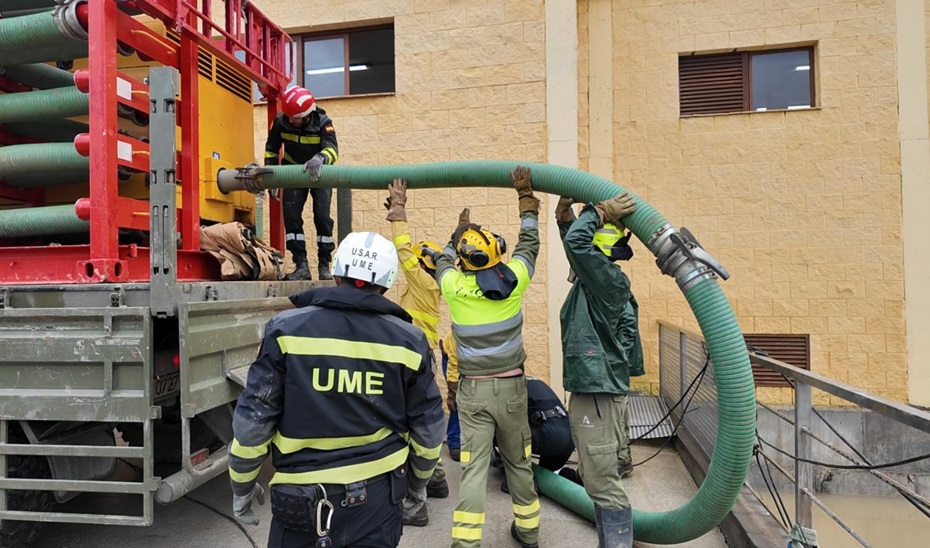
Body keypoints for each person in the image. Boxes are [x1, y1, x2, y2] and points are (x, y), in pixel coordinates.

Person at [228, 231, 444, 548]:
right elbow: (428, 431)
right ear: (386, 283)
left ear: (338, 272)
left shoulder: (285, 330)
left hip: (302, 502)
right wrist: (417, 485)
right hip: (380, 499)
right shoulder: (410, 341)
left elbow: (253, 425)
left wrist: (242, 485)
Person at [420, 166, 541, 548]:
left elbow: (440, 261)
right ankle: (528, 532)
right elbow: (529, 244)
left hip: (473, 394)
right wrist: (526, 200)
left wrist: (455, 238)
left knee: (473, 469)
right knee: (519, 463)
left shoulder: (454, 287)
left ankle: (466, 543)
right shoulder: (516, 280)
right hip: (512, 391)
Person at [555, 193, 639, 547]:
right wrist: (564, 215)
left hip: (599, 391)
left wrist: (600, 211)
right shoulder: (595, 281)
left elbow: (578, 243)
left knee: (603, 482)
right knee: (593, 474)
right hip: (593, 388)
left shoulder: (607, 281)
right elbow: (575, 243)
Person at [382, 178, 450, 527]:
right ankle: (436, 478)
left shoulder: (421, 281)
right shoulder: (436, 281)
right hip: (425, 354)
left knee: (410, 422)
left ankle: (415, 504)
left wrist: (399, 211)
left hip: (412, 356)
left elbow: (402, 248)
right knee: (425, 417)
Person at [264, 85, 338, 281]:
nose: (289, 120)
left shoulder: (324, 122)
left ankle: (324, 265)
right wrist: (272, 177)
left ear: (306, 114)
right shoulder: (281, 120)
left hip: (320, 174)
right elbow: (271, 149)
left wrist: (321, 158)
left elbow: (332, 149)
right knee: (292, 218)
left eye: (293, 117)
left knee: (322, 218)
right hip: (293, 173)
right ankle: (301, 266)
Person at [440, 332, 461, 462]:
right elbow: (454, 364)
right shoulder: (459, 334)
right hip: (451, 358)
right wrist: (452, 393)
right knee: (457, 401)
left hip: (472, 360)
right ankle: (455, 442)